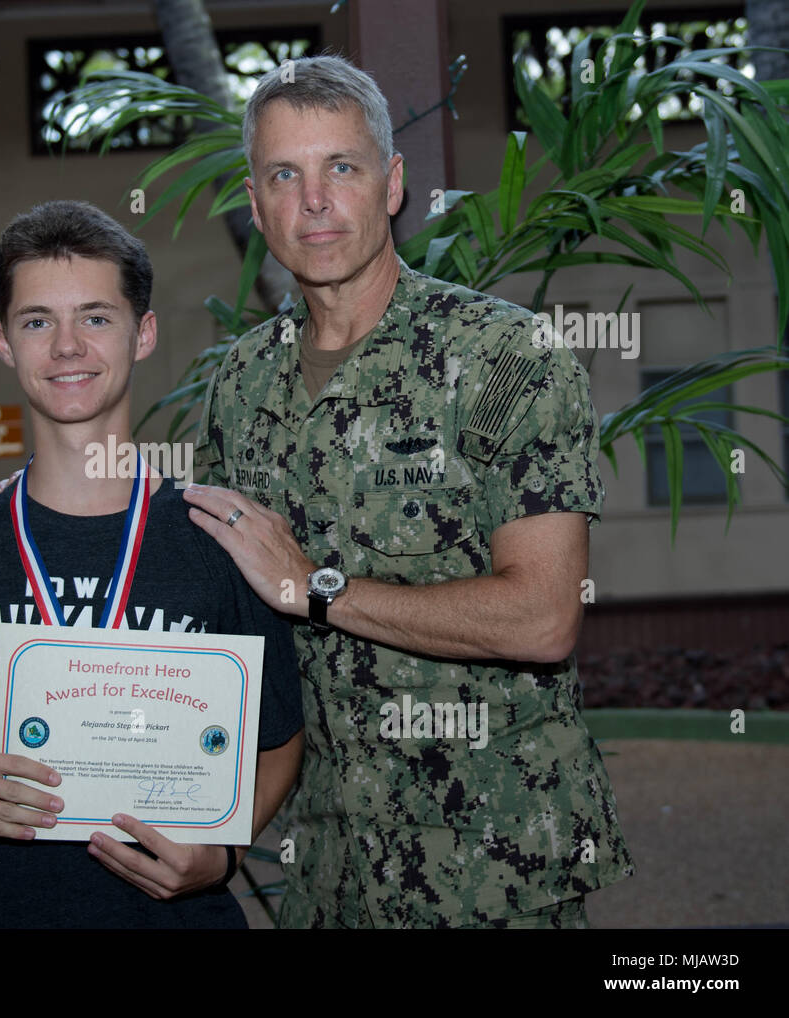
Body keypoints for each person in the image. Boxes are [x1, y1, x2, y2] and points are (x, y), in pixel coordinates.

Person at [181, 55, 633, 928]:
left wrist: (316, 588)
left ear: (391, 185)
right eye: (286, 174)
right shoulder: (239, 384)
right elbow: (232, 625)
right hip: (322, 873)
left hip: (489, 871)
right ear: (255, 199)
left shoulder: (506, 357)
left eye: (340, 168)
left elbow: (543, 618)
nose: (314, 201)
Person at [0, 199, 303, 929]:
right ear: (5, 343)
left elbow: (281, 736)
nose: (67, 346)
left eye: (97, 317)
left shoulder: (221, 540)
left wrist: (226, 852)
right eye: (37, 321)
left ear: (144, 335)